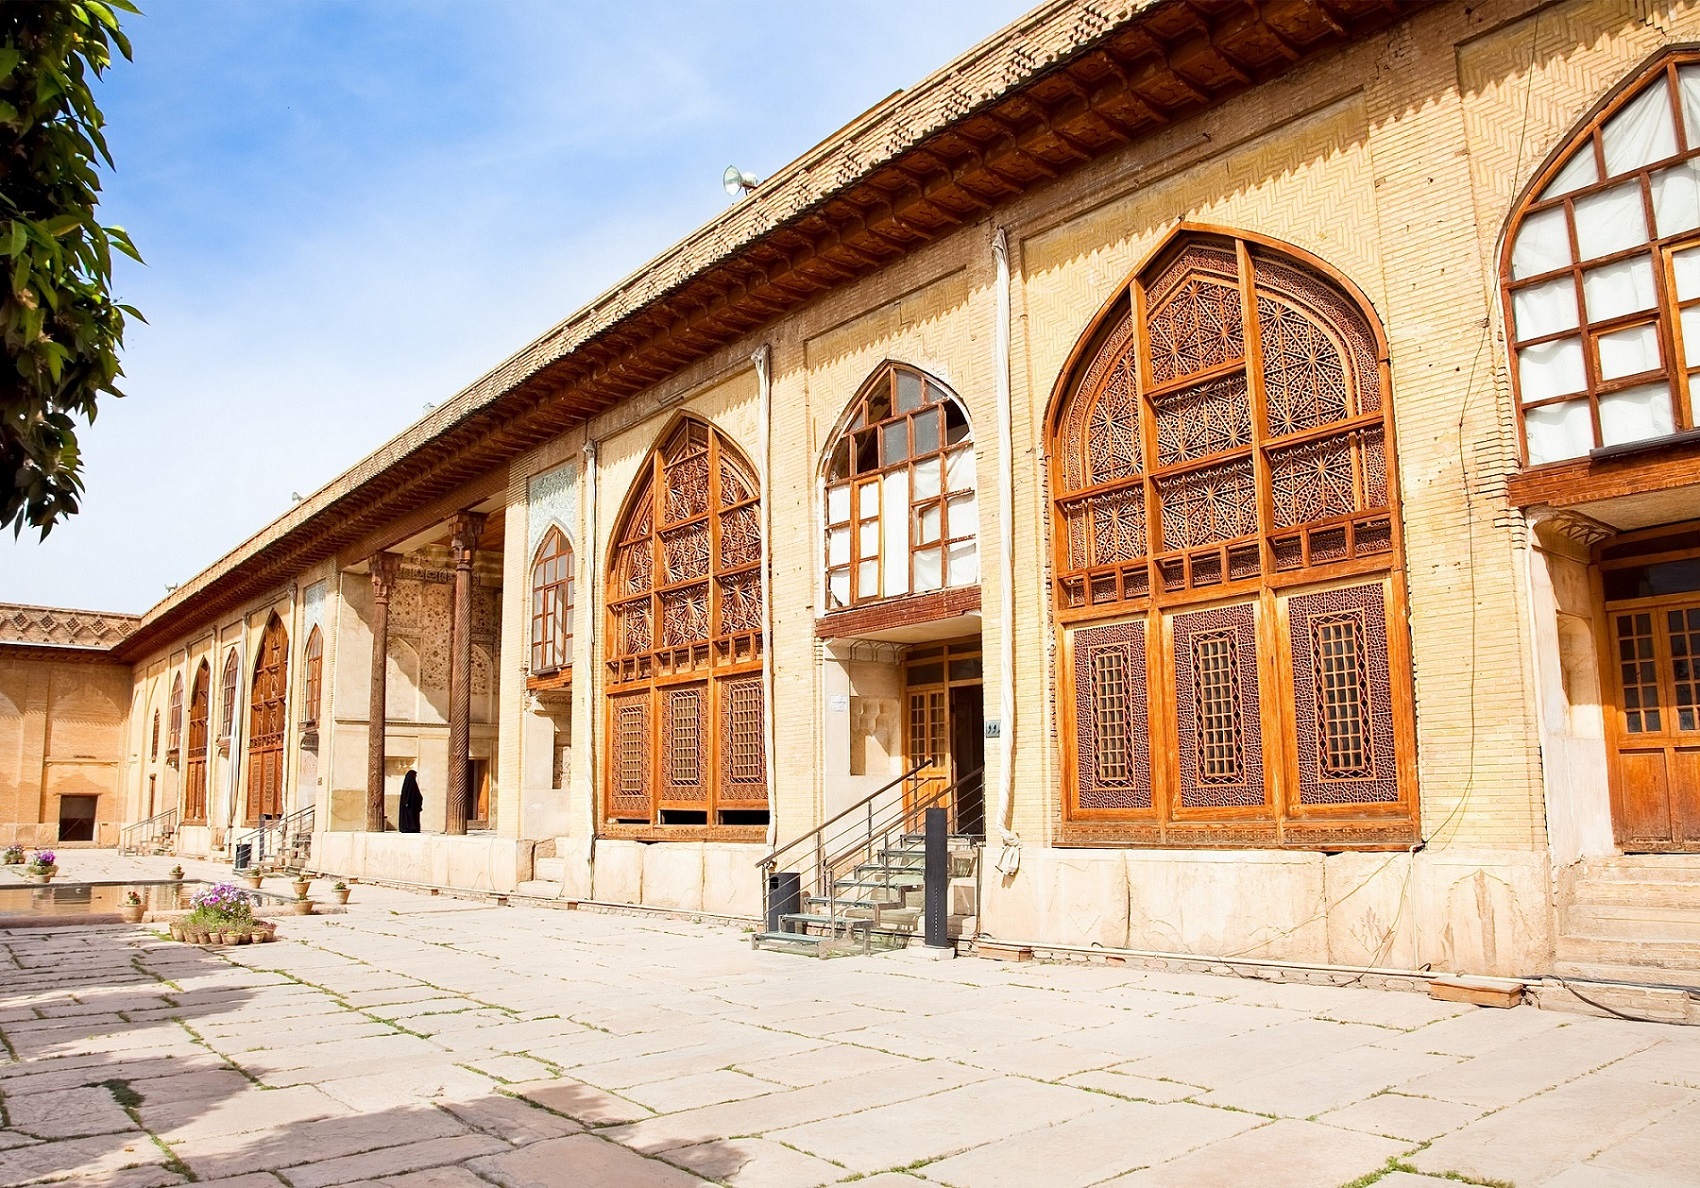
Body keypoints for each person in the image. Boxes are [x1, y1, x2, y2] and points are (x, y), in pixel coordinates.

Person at [398, 770, 423, 834]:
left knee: (413, 816)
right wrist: (406, 801)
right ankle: (408, 827)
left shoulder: (412, 784)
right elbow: (407, 794)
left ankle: (412, 828)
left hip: (413, 805)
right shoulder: (409, 784)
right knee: (408, 816)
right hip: (408, 805)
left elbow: (417, 795)